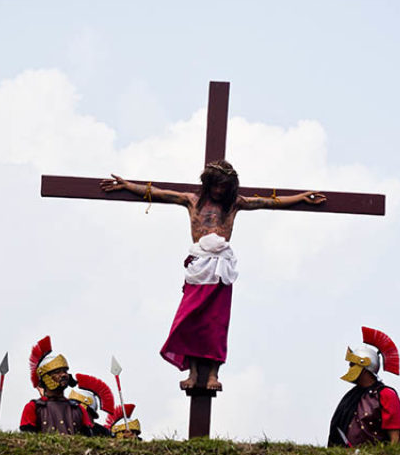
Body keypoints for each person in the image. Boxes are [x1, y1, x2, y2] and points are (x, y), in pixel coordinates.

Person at [101, 161, 325, 390]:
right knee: (189, 320)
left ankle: (213, 376)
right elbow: (158, 194)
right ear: (208, 184)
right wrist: (127, 185)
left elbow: (268, 202)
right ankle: (193, 372)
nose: (219, 191)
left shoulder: (234, 204)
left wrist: (301, 197)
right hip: (198, 268)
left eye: (223, 188)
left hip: (221, 270)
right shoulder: (192, 201)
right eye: (216, 186)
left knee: (216, 324)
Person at [327, 326, 400, 447]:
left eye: (352, 365)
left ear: (364, 366)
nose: (349, 369)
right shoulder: (351, 396)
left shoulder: (386, 395)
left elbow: (395, 440)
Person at [19, 336, 92, 435]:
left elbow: (88, 441)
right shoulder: (33, 407)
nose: (63, 375)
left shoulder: (78, 409)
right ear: (45, 377)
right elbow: (27, 441)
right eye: (57, 372)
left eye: (65, 371)